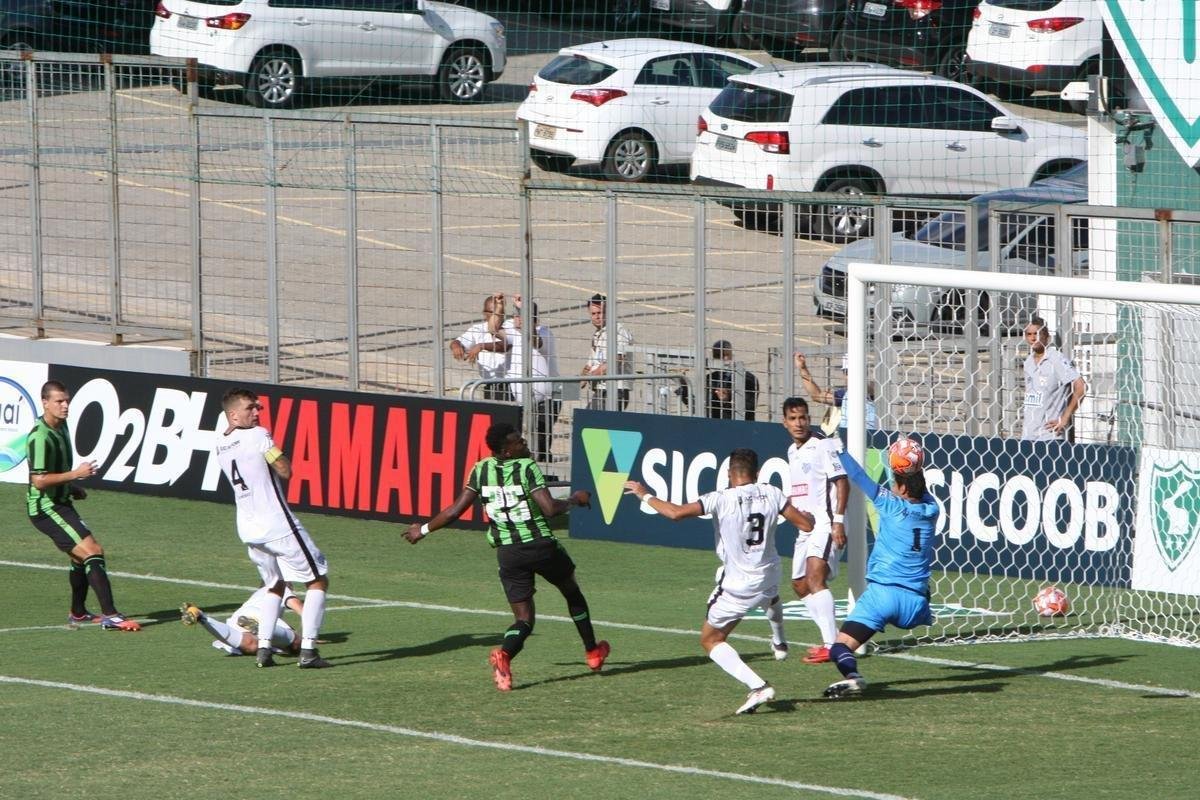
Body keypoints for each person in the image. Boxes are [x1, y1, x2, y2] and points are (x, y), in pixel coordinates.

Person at [403, 422, 609, 692]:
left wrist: (424, 530)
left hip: (509, 554)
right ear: (506, 450)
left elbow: (454, 511)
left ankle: (505, 655)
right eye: (518, 442)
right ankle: (592, 652)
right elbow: (549, 509)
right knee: (571, 591)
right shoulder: (526, 468)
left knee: (524, 619)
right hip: (540, 545)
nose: (524, 443)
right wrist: (575, 499)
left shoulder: (481, 469)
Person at [624, 449, 815, 715]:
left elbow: (676, 513)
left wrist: (644, 494)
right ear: (757, 473)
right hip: (770, 572)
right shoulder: (772, 493)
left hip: (739, 585)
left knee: (710, 640)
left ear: (728, 474)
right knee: (770, 596)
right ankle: (780, 642)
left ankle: (758, 686)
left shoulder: (720, 498)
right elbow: (805, 525)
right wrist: (812, 518)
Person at [215, 388, 332, 669]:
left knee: (275, 584)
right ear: (233, 414)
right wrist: (272, 447)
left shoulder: (220, 442)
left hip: (248, 528)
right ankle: (309, 651)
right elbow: (284, 470)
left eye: (257, 408)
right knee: (318, 580)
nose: (256, 413)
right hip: (276, 524)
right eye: (249, 409)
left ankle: (265, 649)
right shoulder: (258, 435)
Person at [823, 441, 939, 698]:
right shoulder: (932, 509)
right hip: (915, 604)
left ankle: (853, 677)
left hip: (883, 596)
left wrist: (839, 449)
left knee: (840, 648)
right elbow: (916, 485)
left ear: (901, 485)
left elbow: (857, 476)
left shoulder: (890, 505)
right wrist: (910, 465)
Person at [25, 380, 141, 631]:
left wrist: (70, 488)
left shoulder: (62, 425)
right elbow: (39, 480)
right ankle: (111, 615)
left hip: (60, 502)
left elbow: (53, 473)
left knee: (80, 557)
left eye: (67, 400)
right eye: (59, 401)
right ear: (45, 403)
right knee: (92, 551)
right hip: (46, 508)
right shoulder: (40, 437)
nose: (65, 405)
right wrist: (75, 475)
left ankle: (78, 613)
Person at [781, 396, 848, 664]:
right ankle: (834, 637)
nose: (799, 423)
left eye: (803, 418)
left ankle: (833, 646)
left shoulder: (823, 445)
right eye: (793, 419)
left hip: (827, 522)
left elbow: (842, 482)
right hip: (806, 527)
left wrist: (838, 521)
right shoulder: (791, 451)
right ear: (784, 422)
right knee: (799, 584)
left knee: (815, 577)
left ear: (809, 419)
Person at [505, 294, 560, 463]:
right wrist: (499, 306)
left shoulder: (545, 333)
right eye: (514, 315)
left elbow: (535, 342)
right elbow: (494, 330)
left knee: (541, 445)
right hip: (522, 402)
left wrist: (525, 310)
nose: (515, 318)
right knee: (519, 444)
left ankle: (545, 478)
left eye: (519, 315)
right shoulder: (514, 332)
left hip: (547, 400)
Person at [180, 586, 305, 657]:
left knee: (252, 645)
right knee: (297, 645)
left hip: (239, 617)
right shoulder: (282, 587)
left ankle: (202, 617)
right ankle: (262, 630)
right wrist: (307, 636)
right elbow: (302, 610)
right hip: (259, 615)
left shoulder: (262, 590)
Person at [1021, 316, 1086, 441]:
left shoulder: (1056, 358)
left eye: (1037, 334)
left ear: (1046, 336)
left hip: (1049, 436)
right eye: (1029, 334)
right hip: (1028, 435)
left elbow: (1081, 387)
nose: (1033, 338)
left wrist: (1065, 417)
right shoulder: (1028, 362)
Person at [795, 353, 878, 434]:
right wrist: (803, 368)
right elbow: (817, 396)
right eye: (847, 373)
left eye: (856, 372)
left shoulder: (871, 391)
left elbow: (871, 388)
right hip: (847, 440)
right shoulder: (845, 395)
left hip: (870, 440)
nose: (852, 376)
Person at [451, 293, 512, 402]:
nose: (495, 315)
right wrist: (456, 346)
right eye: (492, 312)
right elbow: (458, 341)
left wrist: (481, 346)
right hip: (489, 385)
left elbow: (504, 346)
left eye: (498, 312)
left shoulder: (510, 327)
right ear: (484, 313)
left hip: (511, 386)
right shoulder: (478, 329)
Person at [581, 293, 634, 411]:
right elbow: (590, 365)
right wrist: (581, 379)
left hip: (615, 390)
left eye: (600, 313)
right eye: (593, 314)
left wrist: (592, 376)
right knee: (589, 421)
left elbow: (618, 359)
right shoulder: (598, 335)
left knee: (593, 423)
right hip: (601, 389)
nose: (597, 317)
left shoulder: (618, 331)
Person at [706, 340, 760, 420]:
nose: (724, 358)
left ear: (731, 355)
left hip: (739, 425)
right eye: (718, 355)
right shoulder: (710, 378)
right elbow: (702, 405)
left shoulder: (747, 378)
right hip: (713, 424)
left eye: (726, 355)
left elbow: (749, 407)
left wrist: (728, 399)